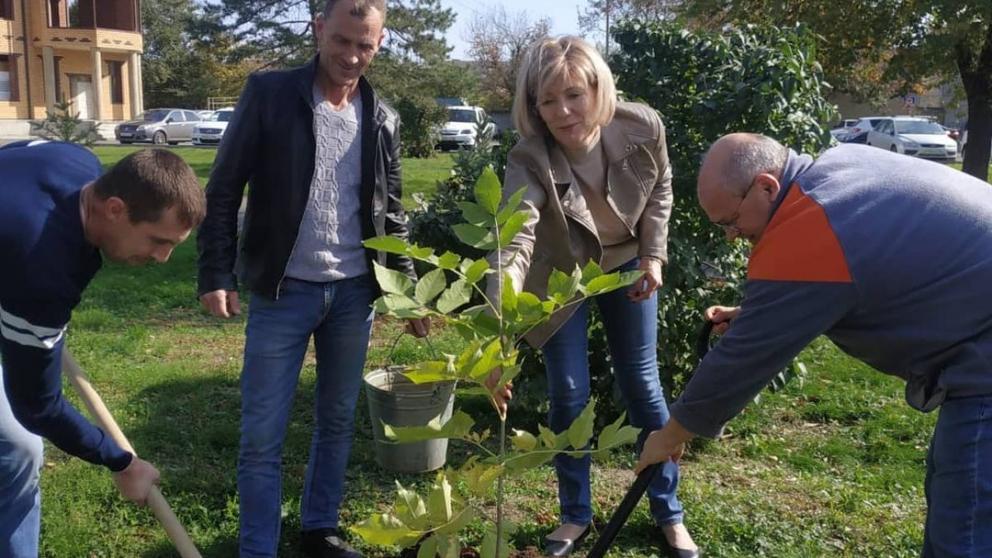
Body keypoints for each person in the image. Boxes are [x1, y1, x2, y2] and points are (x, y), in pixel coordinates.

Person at [637, 133, 992, 557]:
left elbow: (739, 363)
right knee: (954, 492)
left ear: (767, 186)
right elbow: (867, 264)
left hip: (983, 364)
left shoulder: (811, 224)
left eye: (730, 221)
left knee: (964, 528)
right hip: (977, 339)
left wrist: (671, 434)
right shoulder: (841, 166)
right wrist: (760, 314)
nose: (732, 235)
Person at [195, 0, 428, 556]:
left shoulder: (382, 117)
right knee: (261, 436)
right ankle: (258, 547)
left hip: (353, 294)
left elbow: (391, 214)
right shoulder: (270, 95)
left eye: (364, 45)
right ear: (319, 29)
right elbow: (223, 189)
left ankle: (319, 528)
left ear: (379, 43)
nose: (351, 56)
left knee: (337, 421)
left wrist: (411, 292)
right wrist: (215, 271)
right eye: (342, 40)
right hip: (284, 291)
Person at [485, 36, 698, 558]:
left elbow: (661, 188)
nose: (562, 111)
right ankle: (574, 514)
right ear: (533, 106)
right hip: (560, 273)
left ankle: (668, 512)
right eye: (547, 100)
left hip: (627, 262)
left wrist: (652, 256)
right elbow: (515, 239)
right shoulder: (529, 156)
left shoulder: (642, 126)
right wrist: (499, 331)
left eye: (574, 95)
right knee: (569, 394)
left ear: (598, 88)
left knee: (642, 384)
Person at [0, 140, 206, 557]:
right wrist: (121, 463)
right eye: (157, 240)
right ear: (114, 208)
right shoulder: (43, 272)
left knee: (17, 450)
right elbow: (37, 406)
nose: (163, 258)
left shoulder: (76, 159)